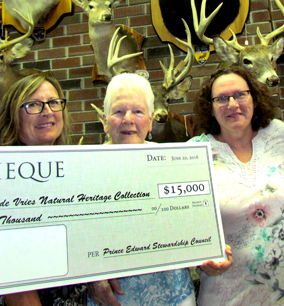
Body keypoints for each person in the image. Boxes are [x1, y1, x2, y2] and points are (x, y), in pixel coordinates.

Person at [88, 73, 232, 306]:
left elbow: (192, 227)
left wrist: (209, 256)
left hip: (174, 294)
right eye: (118, 112)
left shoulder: (173, 163)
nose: (128, 119)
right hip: (111, 298)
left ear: (150, 120)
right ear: (104, 120)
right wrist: (91, 279)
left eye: (138, 111)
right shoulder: (84, 169)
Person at [189, 66, 284, 306]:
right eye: (221, 99)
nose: (232, 104)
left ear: (255, 99)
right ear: (210, 108)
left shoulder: (279, 134)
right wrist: (200, 257)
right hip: (229, 293)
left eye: (240, 94)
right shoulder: (194, 152)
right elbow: (183, 223)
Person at [0, 72, 86, 306]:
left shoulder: (69, 173)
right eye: (33, 105)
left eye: (53, 103)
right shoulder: (2, 180)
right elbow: (10, 272)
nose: (47, 111)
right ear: (12, 117)